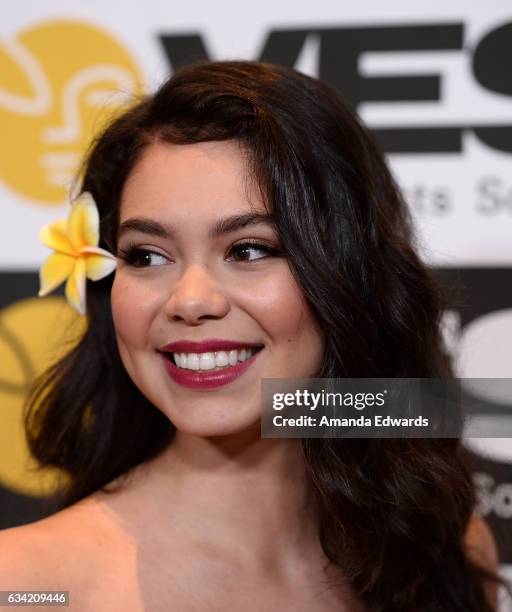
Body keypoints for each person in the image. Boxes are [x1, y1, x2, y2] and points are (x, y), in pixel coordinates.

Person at [0, 61, 505, 611]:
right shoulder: (27, 583)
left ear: (347, 273)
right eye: (146, 255)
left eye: (248, 250)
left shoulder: (438, 549)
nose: (190, 301)